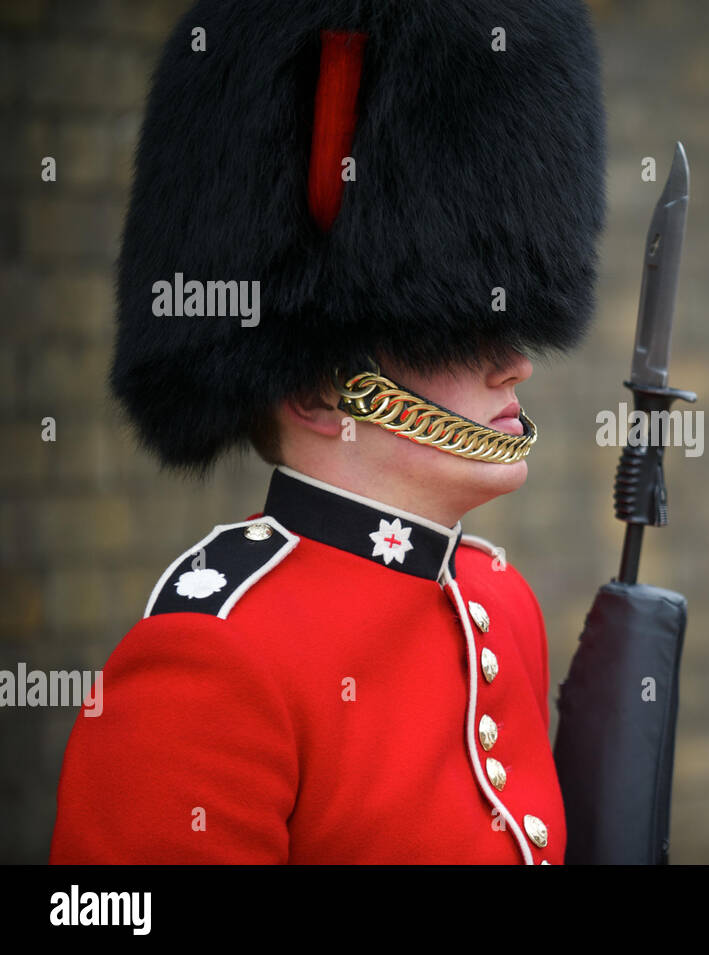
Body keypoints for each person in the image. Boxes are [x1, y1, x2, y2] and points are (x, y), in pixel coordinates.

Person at [50, 0, 606, 864]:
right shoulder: (214, 656)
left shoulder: (499, 603)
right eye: (455, 330)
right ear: (319, 390)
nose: (514, 366)